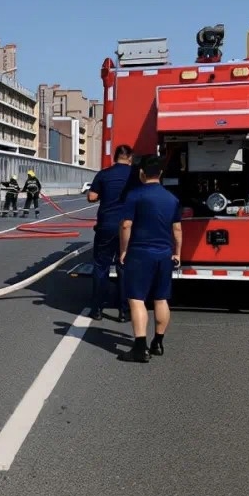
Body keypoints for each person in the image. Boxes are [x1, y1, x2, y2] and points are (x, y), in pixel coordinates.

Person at [118, 155, 182, 363]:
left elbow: (126, 225)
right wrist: (177, 253)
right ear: (161, 174)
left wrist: (123, 250)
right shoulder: (172, 199)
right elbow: (177, 228)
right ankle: (158, 343)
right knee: (161, 298)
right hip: (164, 253)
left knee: (137, 299)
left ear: (141, 173)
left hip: (140, 252)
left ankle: (140, 348)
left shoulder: (135, 195)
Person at [87, 144, 134, 321]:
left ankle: (97, 309)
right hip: (127, 227)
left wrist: (104, 195)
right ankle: (124, 311)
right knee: (124, 266)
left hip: (106, 225)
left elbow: (91, 197)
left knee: (101, 266)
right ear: (129, 158)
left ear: (115, 157)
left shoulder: (104, 174)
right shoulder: (134, 175)